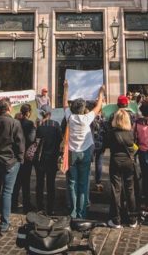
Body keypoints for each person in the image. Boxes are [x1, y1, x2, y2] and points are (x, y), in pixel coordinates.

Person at [62, 80, 106, 219]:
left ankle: (73, 211)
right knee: (83, 183)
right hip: (85, 152)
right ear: (83, 109)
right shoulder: (87, 118)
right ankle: (82, 213)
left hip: (72, 153)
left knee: (72, 183)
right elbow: (98, 106)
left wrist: (66, 88)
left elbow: (64, 103)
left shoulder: (70, 117)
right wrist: (101, 92)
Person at [0, 98, 25, 234]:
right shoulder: (14, 123)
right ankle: (4, 224)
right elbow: (20, 143)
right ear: (9, 108)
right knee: (7, 192)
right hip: (10, 161)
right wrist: (20, 159)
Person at [105, 109, 138, 228]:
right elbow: (135, 145)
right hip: (129, 162)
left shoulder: (112, 133)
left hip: (116, 161)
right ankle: (132, 219)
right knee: (130, 189)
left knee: (116, 190)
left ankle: (116, 219)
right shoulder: (131, 133)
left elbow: (106, 144)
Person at [34, 109, 61, 214]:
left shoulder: (39, 128)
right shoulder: (56, 126)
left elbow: (35, 142)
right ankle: (50, 208)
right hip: (52, 158)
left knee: (39, 183)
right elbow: (60, 140)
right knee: (51, 184)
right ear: (49, 114)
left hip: (40, 159)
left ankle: (40, 207)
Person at [13, 103, 35, 212]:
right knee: (26, 181)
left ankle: (13, 203)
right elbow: (32, 139)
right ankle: (26, 204)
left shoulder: (16, 122)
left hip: (16, 154)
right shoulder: (30, 124)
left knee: (16, 181)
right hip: (26, 156)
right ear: (28, 112)